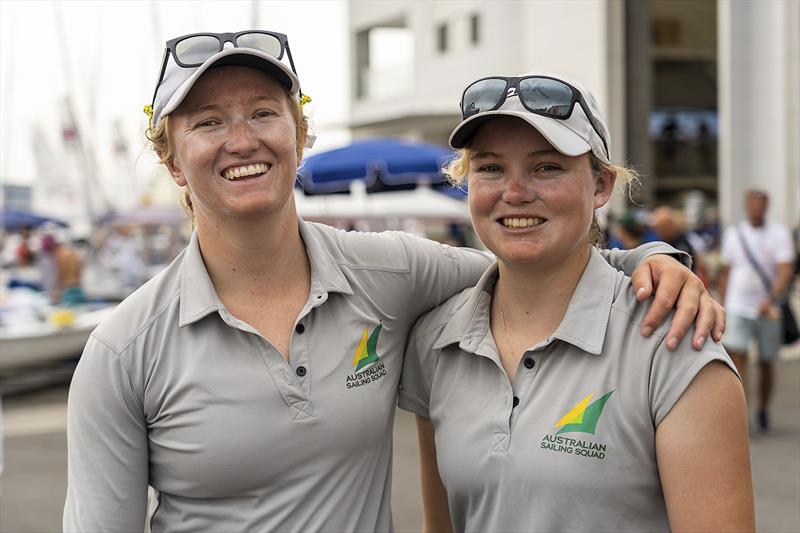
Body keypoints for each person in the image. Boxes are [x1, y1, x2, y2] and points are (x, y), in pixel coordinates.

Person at [63, 32, 724, 532]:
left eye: (263, 113)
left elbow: (537, 263)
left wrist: (656, 261)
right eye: (208, 121)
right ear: (170, 159)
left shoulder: (390, 274)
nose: (241, 139)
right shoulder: (123, 351)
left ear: (299, 132)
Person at [401, 72, 753, 532]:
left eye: (547, 167)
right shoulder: (436, 341)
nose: (515, 192)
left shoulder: (674, 345)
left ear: (602, 186)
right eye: (490, 167)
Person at [719, 189, 795, 432]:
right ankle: (742, 411)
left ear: (766, 207)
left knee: (765, 361)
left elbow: (785, 269)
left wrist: (771, 297)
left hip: (767, 308)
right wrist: (721, 301)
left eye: (760, 206)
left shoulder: (778, 234)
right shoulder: (734, 234)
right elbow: (727, 270)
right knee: (737, 359)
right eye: (752, 205)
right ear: (746, 206)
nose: (756, 210)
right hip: (738, 305)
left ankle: (763, 408)